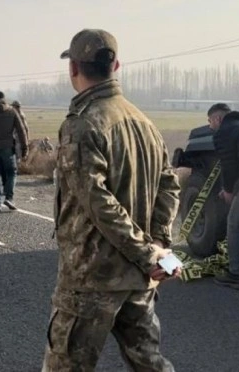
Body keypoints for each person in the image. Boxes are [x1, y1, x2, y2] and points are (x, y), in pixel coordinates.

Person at [42, 29, 181, 371]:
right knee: (149, 362)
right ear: (116, 65)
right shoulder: (144, 122)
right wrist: (158, 245)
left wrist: (148, 252)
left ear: (73, 68)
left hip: (92, 275)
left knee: (65, 365)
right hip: (138, 276)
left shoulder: (83, 123)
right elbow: (169, 184)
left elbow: (96, 202)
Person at [206, 102, 239, 290]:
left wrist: (229, 190)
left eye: (210, 121)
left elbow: (229, 164)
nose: (210, 126)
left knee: (235, 223)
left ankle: (235, 275)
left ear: (218, 118)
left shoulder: (225, 130)